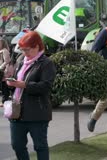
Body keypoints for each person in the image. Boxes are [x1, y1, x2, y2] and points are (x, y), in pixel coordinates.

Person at [7, 31, 56, 160]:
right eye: (22, 50)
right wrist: (11, 83)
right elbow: (18, 83)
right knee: (17, 145)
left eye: (27, 50)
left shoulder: (46, 63)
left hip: (37, 114)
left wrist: (24, 85)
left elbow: (45, 87)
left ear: (37, 47)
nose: (25, 53)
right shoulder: (22, 61)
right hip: (18, 113)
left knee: (40, 146)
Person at [1, 38, 12, 106]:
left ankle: (4, 100)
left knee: (4, 86)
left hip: (3, 71)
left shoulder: (5, 51)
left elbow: (7, 61)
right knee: (3, 86)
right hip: (2, 70)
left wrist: (1, 67)